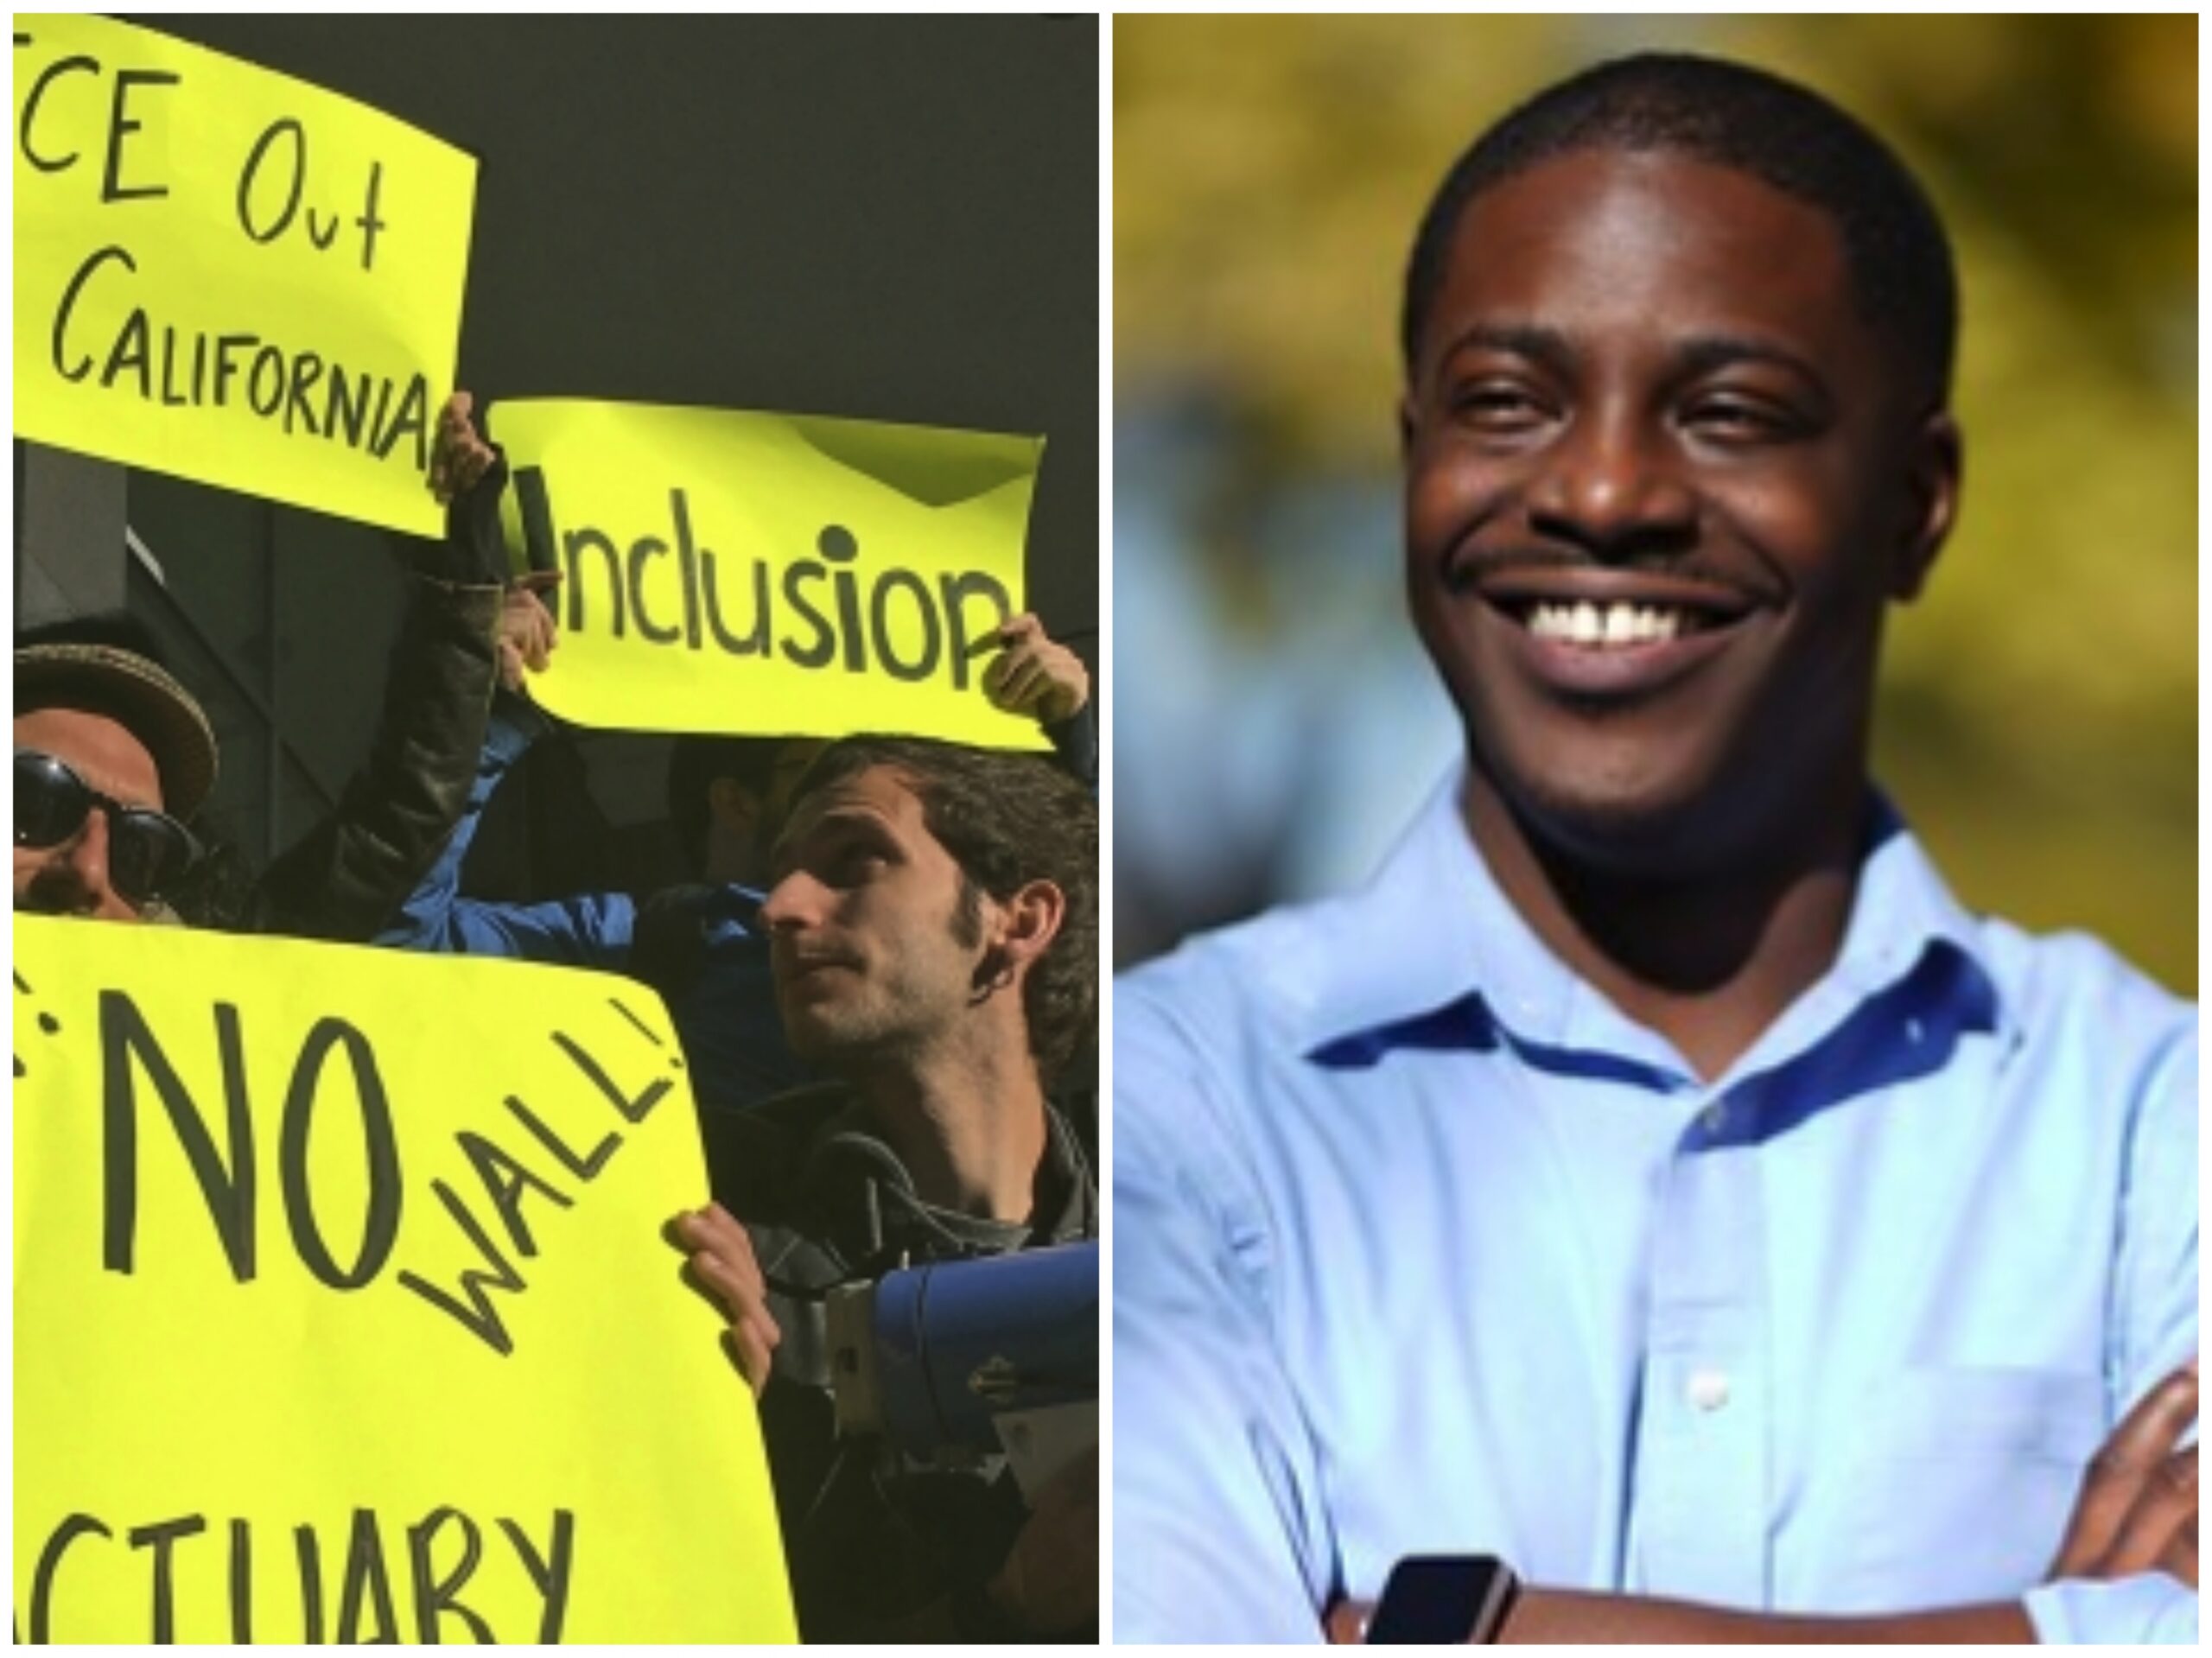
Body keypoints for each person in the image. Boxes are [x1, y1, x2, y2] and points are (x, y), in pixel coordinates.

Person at [1113, 53, 2196, 1646]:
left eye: (1730, 412)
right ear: (1415, 451)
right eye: (1505, 401)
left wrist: (1447, 1629)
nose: (1605, 490)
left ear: (1917, 500)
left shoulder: (2151, 1118)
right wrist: (2058, 1627)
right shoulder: (1165, 1109)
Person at [378, 420, 1096, 1119]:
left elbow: (1120, 961)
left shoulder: (975, 948)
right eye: (817, 766)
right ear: (736, 799)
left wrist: (1069, 743)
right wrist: (495, 713)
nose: (857, 778)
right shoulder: (661, 941)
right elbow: (399, 941)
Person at [673, 735, 1099, 1642]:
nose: (778, 908)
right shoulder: (705, 1231)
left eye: (853, 859)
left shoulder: (1196, 1236)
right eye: (781, 871)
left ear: (1017, 920)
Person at [14, 394, 507, 937]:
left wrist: (458, 560)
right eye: (32, 802)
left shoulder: (208, 989)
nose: (88, 869)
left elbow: (395, 826)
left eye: (142, 848)